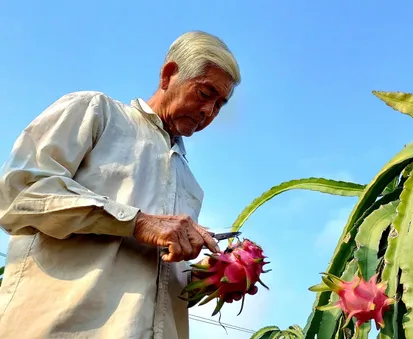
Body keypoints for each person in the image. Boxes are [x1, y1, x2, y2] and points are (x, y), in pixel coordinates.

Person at [0, 31, 241, 339]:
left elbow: (158, 281)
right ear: (169, 75)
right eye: (205, 94)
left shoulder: (191, 185)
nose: (209, 112)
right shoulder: (96, 113)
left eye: (220, 104)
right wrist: (138, 222)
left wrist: (205, 280)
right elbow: (19, 193)